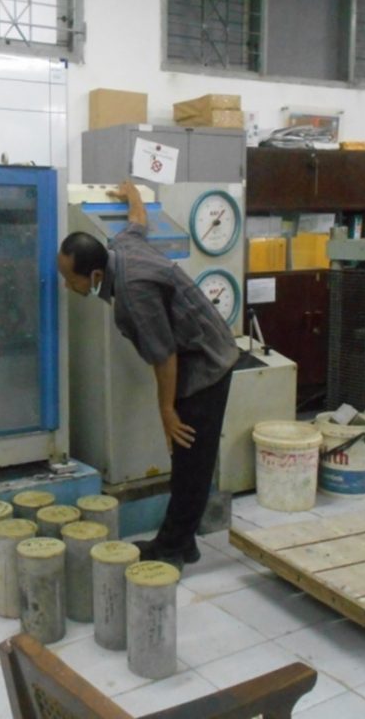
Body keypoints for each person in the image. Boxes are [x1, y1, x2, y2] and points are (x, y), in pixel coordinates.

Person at [57, 180, 239, 569]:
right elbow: (138, 221)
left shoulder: (133, 294)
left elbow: (165, 355)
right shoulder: (122, 245)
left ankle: (174, 547)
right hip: (197, 349)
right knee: (188, 459)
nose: (66, 285)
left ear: (94, 275)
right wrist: (133, 194)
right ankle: (181, 542)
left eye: (70, 279)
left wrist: (167, 411)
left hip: (206, 361)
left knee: (192, 460)